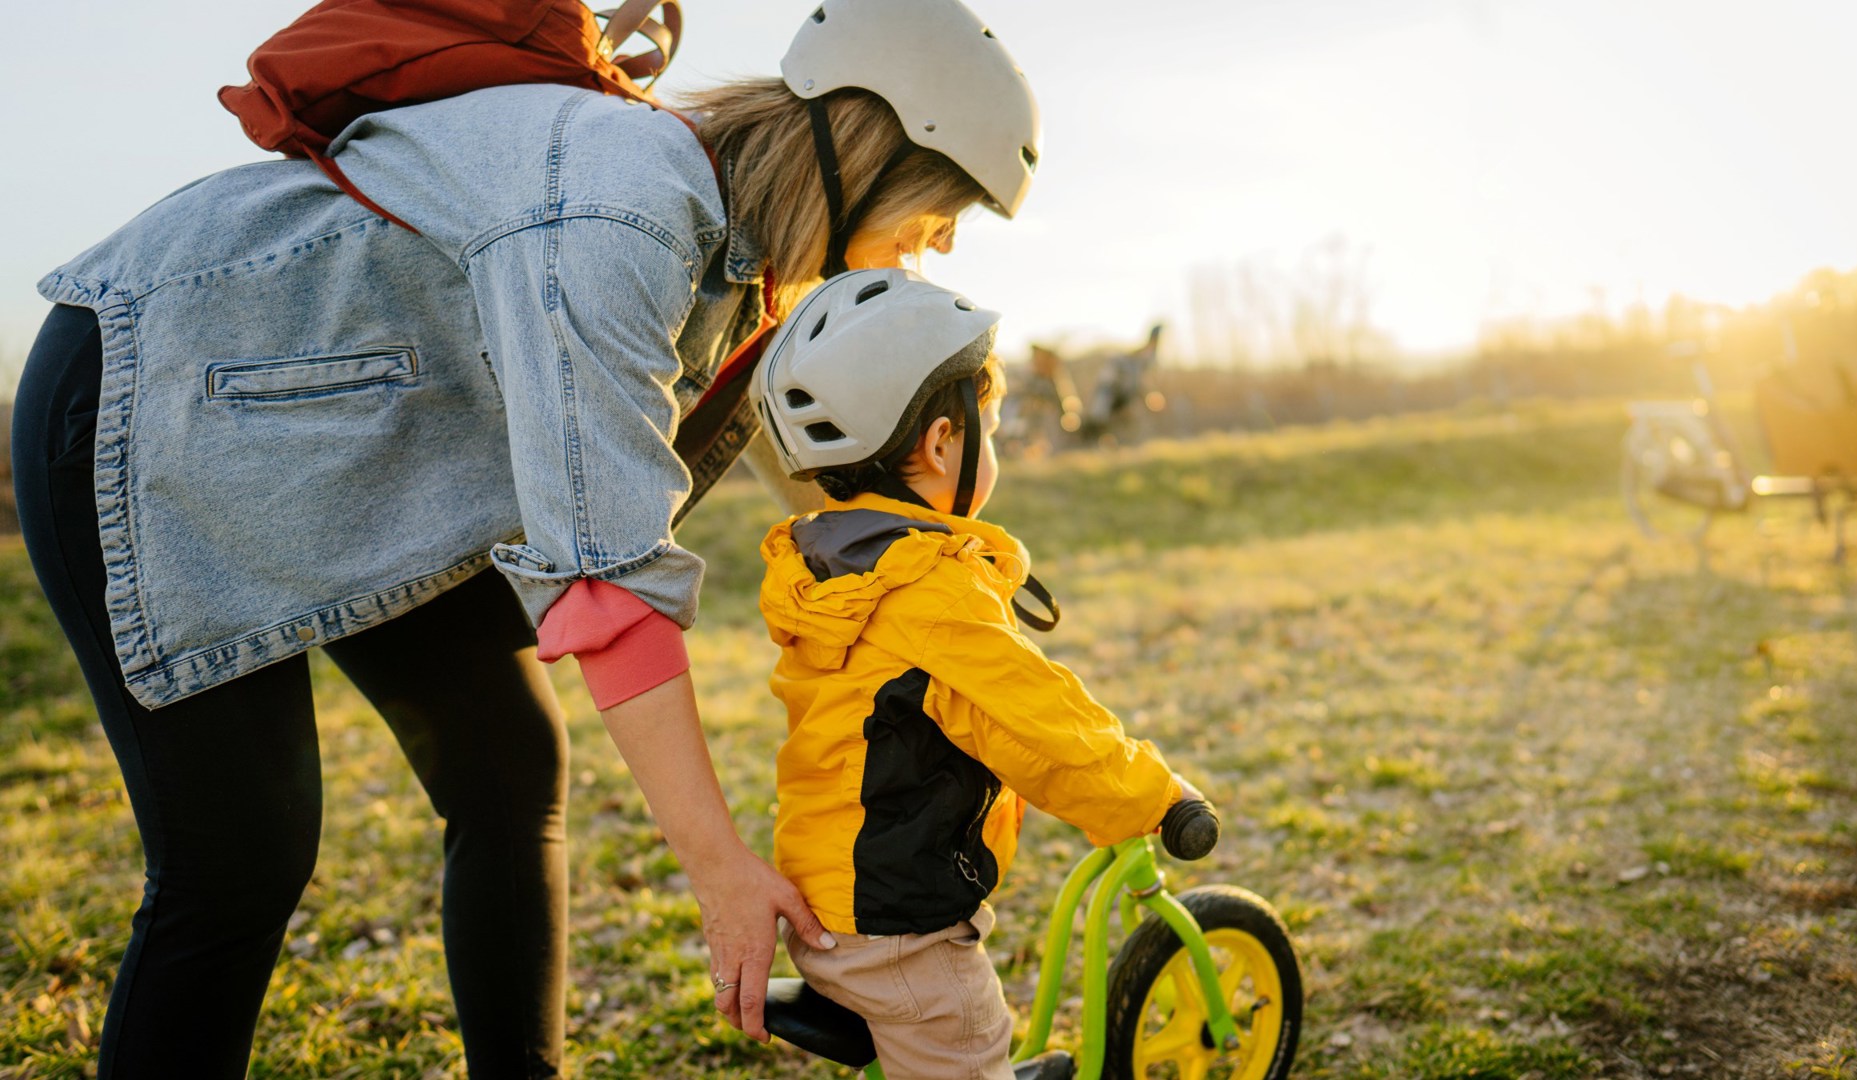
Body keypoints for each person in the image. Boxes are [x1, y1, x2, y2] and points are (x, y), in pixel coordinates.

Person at [7, 1, 1040, 1076]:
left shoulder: (738, 254)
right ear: (874, 153)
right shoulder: (624, 217)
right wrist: (720, 869)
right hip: (148, 385)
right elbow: (607, 581)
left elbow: (825, 477)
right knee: (239, 858)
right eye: (943, 207)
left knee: (508, 768)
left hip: (347, 444)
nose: (943, 241)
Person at [750, 269, 1204, 1079]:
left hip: (839, 897)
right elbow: (1038, 718)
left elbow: (976, 717)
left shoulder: (833, 561)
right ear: (940, 445)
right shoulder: (932, 590)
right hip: (896, 934)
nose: (991, 446)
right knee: (967, 1042)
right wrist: (1149, 794)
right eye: (987, 429)